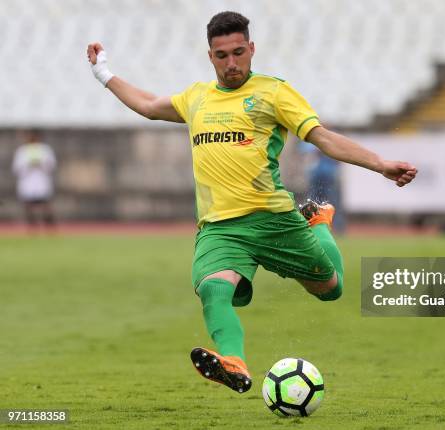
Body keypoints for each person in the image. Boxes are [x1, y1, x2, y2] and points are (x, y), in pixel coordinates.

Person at [87, 11, 417, 394]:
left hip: (273, 219)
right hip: (221, 228)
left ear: (252, 49)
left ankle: (320, 223)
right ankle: (234, 361)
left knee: (331, 289)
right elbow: (147, 104)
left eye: (239, 52)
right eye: (222, 55)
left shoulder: (273, 93)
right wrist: (104, 74)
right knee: (213, 289)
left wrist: (380, 164)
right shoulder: (197, 98)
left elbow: (322, 137)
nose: (231, 63)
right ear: (210, 56)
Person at [11, 130, 57, 230]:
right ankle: (32, 227)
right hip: (28, 182)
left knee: (45, 205)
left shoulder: (45, 149)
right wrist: (29, 165)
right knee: (28, 206)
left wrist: (41, 164)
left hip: (41, 181)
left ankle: (50, 227)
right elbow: (16, 167)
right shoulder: (22, 151)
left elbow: (51, 164)